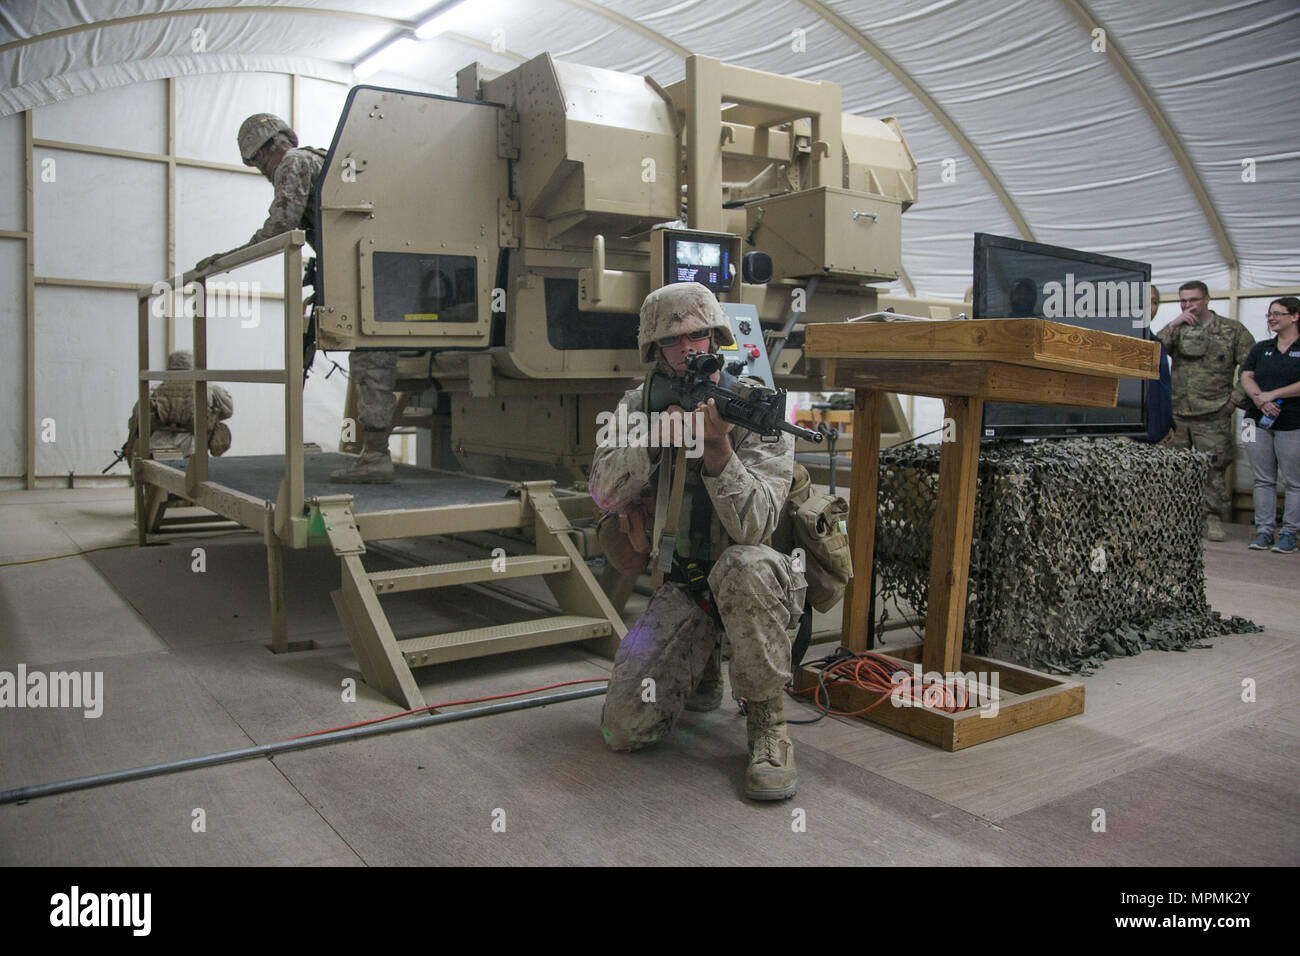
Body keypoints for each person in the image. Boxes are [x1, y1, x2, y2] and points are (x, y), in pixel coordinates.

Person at [590, 282, 807, 801]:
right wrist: (651, 442)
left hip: (754, 584)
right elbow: (600, 490)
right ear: (654, 350)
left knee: (746, 565)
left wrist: (718, 452)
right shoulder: (641, 403)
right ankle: (703, 665)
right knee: (622, 728)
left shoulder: (753, 407)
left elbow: (756, 526)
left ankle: (768, 722)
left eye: (698, 336)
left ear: (716, 336)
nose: (689, 349)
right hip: (687, 585)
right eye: (673, 340)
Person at [195, 113, 399, 483]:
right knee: (369, 359)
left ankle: (376, 457)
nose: (262, 171)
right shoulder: (318, 161)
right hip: (371, 268)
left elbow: (282, 223)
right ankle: (374, 453)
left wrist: (226, 259)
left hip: (372, 273)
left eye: (257, 162)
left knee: (371, 361)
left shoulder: (294, 161)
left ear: (269, 148)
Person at [1157, 280, 1255, 541]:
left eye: (1193, 300)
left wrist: (1234, 401)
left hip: (1213, 412)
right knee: (1174, 468)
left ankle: (1211, 519)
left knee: (1213, 468)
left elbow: (1251, 367)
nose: (1188, 305)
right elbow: (1151, 351)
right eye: (1183, 300)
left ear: (1207, 300)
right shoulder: (1176, 329)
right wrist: (1174, 323)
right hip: (1178, 412)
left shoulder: (1232, 330)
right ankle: (1176, 518)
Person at [1239, 297, 1300, 553]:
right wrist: (1259, 399)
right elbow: (1246, 375)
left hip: (1292, 422)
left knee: (1294, 481)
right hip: (1253, 421)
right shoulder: (1261, 347)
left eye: (1277, 314)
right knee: (1261, 479)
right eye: (1269, 314)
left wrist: (1273, 394)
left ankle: (1289, 532)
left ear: (1295, 316)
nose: (1271, 318)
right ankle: (1264, 531)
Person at [125, 350, 234, 464]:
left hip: (158, 447)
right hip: (193, 447)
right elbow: (228, 411)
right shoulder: (208, 388)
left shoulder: (156, 389)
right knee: (194, 479)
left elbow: (137, 418)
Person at [1138, 284, 1175, 445]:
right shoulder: (1117, 341)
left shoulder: (1156, 344)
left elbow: (1163, 389)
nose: (1149, 307)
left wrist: (1168, 424)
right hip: (1126, 437)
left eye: (1154, 302)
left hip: (1156, 437)